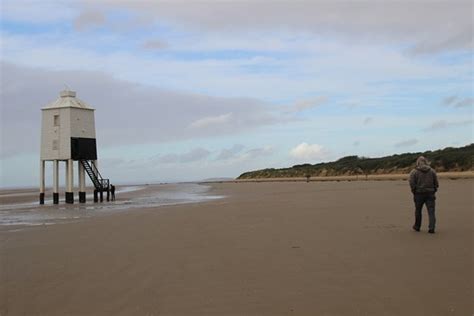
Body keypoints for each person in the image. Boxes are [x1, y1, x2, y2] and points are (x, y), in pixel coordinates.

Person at [409, 156, 439, 233]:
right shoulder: (432, 171)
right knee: (431, 211)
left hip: (419, 194)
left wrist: (414, 191)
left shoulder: (414, 172)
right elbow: (436, 182)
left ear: (418, 163)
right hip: (430, 193)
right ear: (425, 162)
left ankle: (417, 226)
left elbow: (411, 182)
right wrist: (434, 189)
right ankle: (431, 227)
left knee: (418, 210)